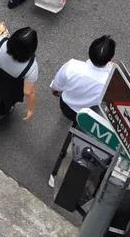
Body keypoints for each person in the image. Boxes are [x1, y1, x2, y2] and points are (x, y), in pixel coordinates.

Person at [47, 35, 116, 186]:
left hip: (67, 106)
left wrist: (57, 92)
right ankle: (57, 174)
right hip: (87, 115)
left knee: (69, 143)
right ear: (110, 58)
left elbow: (57, 87)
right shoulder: (110, 80)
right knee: (74, 143)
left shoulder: (72, 67)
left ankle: (55, 174)